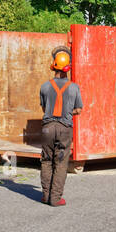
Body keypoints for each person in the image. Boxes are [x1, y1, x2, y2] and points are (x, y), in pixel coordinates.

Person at [39, 48, 82, 207]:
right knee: (61, 162)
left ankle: (45, 196)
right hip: (64, 129)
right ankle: (55, 198)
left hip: (47, 128)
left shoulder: (44, 87)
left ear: (54, 66)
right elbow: (79, 110)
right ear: (67, 69)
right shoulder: (74, 87)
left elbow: (44, 109)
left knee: (46, 161)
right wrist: (69, 111)